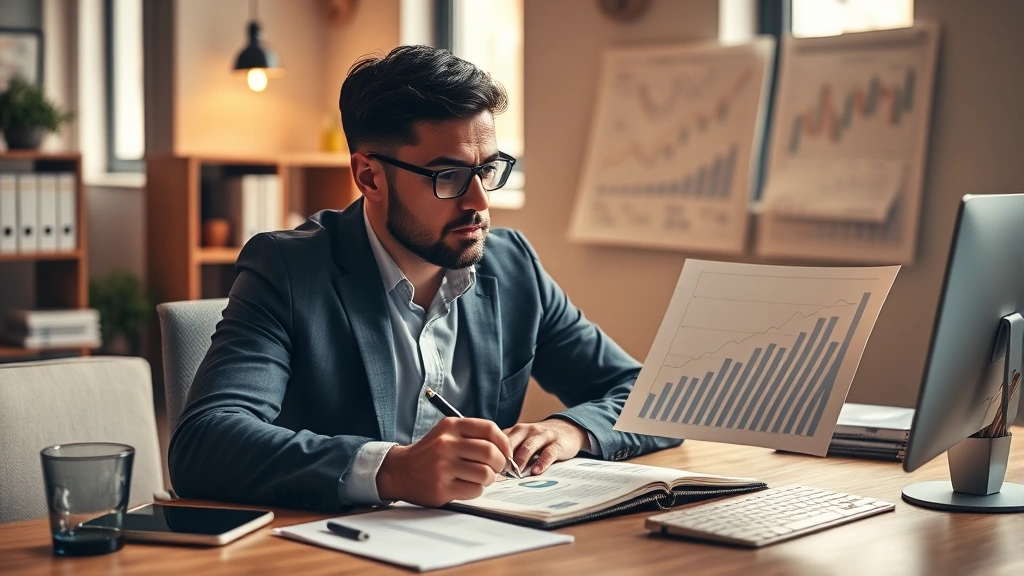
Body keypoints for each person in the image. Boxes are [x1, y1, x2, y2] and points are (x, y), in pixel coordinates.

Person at [169, 45, 679, 512]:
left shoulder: (512, 264)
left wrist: (571, 429)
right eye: (448, 175)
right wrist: (392, 469)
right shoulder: (287, 270)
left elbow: (648, 394)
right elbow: (205, 444)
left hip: (482, 546)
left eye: (488, 169)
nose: (479, 201)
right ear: (369, 176)